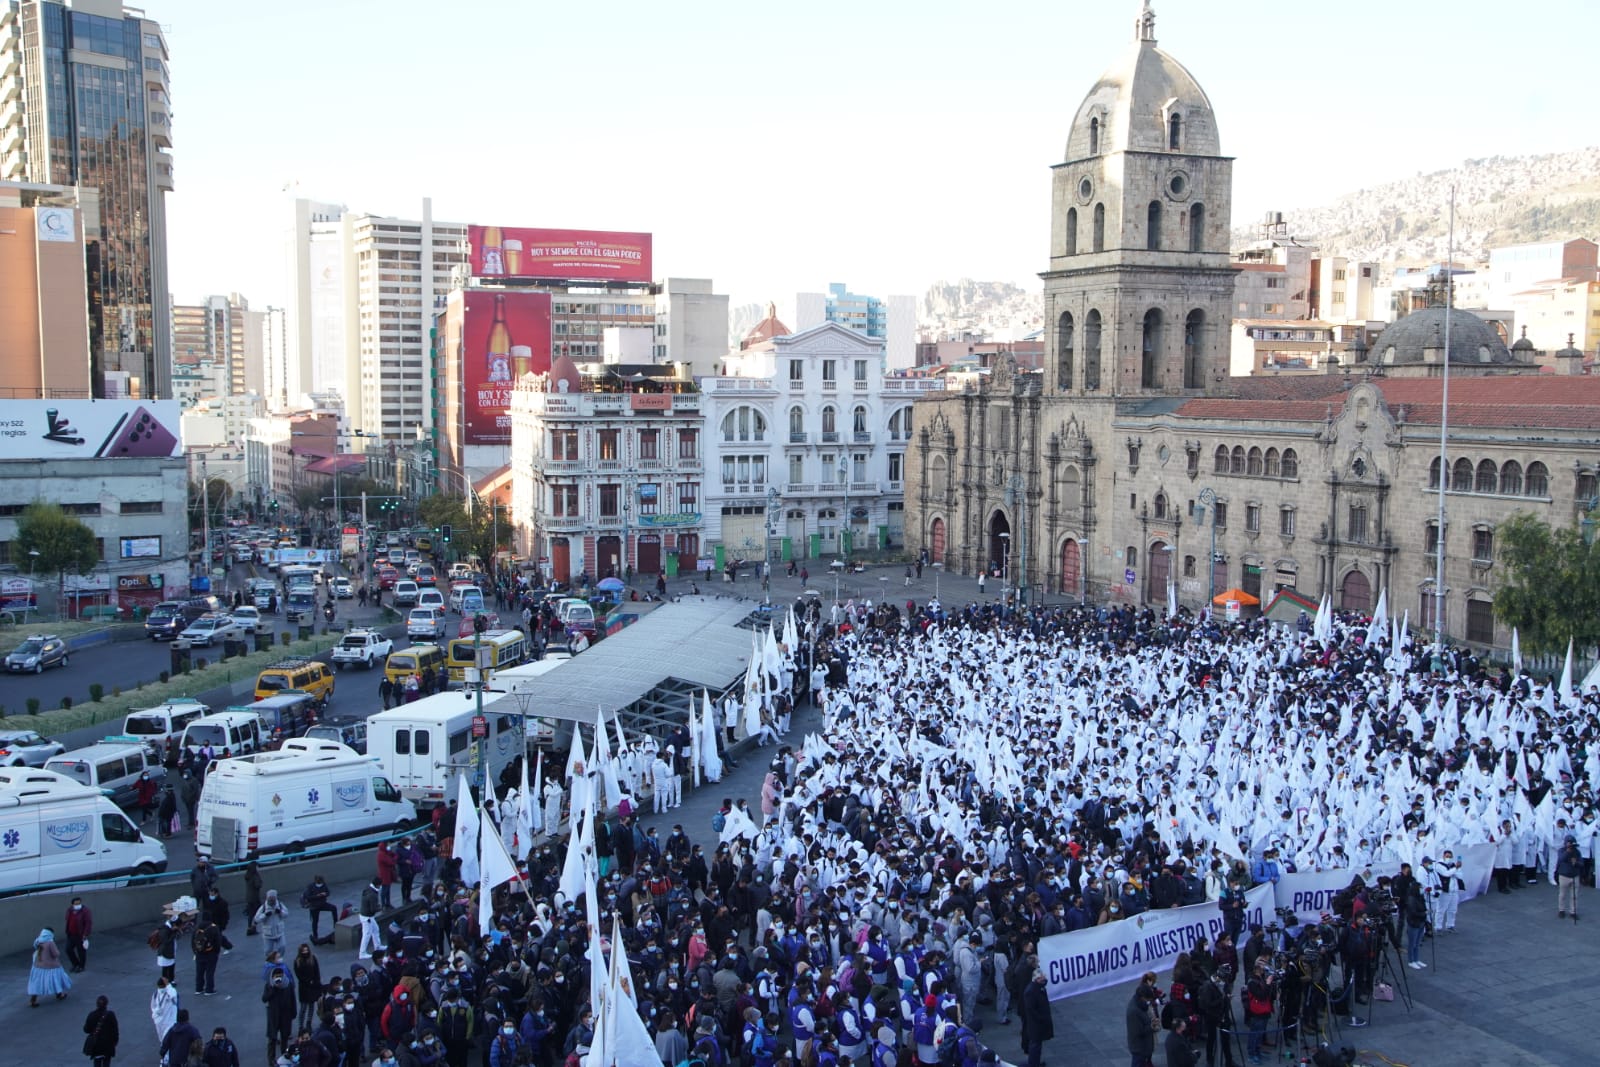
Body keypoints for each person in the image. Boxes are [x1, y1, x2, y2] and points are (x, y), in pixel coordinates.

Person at [28, 927, 71, 1006]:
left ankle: (33, 1000)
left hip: (37, 966)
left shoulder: (38, 940)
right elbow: (56, 954)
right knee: (56, 980)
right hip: (51, 966)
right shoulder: (50, 942)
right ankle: (59, 994)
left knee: (37, 983)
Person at [1020, 969, 1053, 1067]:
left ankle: (1036, 1063)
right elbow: (1031, 1009)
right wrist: (1041, 1018)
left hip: (1039, 1022)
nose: (1044, 980)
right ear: (1037, 979)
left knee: (1037, 1045)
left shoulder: (1038, 987)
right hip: (1035, 1024)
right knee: (1035, 1045)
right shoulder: (1031, 991)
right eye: (1042, 978)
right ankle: (1033, 1064)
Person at [263, 969, 297, 1063]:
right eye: (276, 976)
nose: (278, 978)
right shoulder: (269, 985)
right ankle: (271, 1060)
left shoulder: (288, 984)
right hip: (273, 1016)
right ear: (272, 977)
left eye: (280, 975)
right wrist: (274, 989)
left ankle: (284, 1058)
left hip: (286, 1016)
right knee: (272, 1039)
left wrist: (293, 1013)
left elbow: (292, 999)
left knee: (284, 1038)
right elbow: (264, 999)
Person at [1126, 982, 1160, 1067]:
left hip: (1144, 1046)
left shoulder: (1140, 1004)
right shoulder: (1133, 1011)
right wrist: (1152, 1026)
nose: (1148, 1002)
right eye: (1147, 1000)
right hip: (1139, 1048)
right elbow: (1138, 1032)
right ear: (1142, 997)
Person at [292, 942, 323, 1033]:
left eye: (306, 950)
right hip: (304, 987)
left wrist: (316, 982)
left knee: (311, 1006)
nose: (305, 952)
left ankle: (308, 1023)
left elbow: (317, 971)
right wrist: (308, 981)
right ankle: (301, 1026)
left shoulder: (313, 958)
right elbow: (299, 975)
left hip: (313, 986)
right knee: (303, 1008)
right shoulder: (297, 961)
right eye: (303, 951)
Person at [83, 993, 120, 1067]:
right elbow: (115, 1030)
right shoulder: (111, 1015)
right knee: (106, 1062)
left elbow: (86, 1029)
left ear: (97, 1004)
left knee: (97, 1062)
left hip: (96, 1045)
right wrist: (115, 1041)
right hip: (108, 1044)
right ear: (107, 1004)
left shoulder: (91, 1015)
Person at [302, 874, 338, 945]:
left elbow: (328, 892)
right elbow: (308, 897)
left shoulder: (324, 885)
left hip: (322, 904)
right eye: (319, 882)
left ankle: (335, 924)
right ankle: (315, 936)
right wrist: (317, 896)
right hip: (314, 906)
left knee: (333, 908)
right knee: (315, 921)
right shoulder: (310, 886)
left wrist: (325, 894)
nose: (321, 883)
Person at [254, 888, 289, 959]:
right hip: (268, 934)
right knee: (268, 950)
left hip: (279, 932)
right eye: (270, 898)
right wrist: (265, 915)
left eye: (273, 898)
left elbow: (286, 914)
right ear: (267, 898)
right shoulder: (263, 907)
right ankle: (269, 961)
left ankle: (279, 958)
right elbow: (256, 919)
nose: (272, 900)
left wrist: (280, 912)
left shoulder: (280, 905)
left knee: (282, 946)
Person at [1556, 835, 1583, 918]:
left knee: (1574, 896)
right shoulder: (1561, 850)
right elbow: (1561, 859)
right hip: (1564, 875)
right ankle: (1561, 910)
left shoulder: (1577, 852)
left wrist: (1576, 863)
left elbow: (1582, 863)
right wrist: (1568, 851)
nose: (1570, 845)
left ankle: (1573, 911)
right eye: (1569, 843)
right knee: (1562, 894)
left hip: (1574, 876)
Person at [64, 896, 92, 973]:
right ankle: (75, 964)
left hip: (80, 935)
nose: (78, 905)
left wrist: (85, 934)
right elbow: (67, 920)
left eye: (79, 903)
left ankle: (81, 966)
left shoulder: (85, 911)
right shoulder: (70, 910)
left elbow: (88, 923)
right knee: (68, 949)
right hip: (71, 934)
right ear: (72, 904)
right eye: (76, 903)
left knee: (81, 951)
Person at [358, 878, 384, 959]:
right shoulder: (373, 895)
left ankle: (378, 946)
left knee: (375, 930)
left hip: (365, 915)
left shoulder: (367, 889)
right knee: (367, 934)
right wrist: (380, 908)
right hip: (367, 917)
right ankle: (362, 953)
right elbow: (373, 909)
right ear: (378, 885)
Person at [151, 976, 179, 1046]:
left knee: (168, 1040)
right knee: (162, 1040)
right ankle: (164, 1054)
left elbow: (173, 995)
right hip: (159, 1021)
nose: (160, 988)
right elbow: (152, 1005)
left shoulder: (170, 992)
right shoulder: (155, 994)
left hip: (169, 1021)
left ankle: (167, 1055)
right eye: (159, 987)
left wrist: (168, 985)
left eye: (161, 986)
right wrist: (155, 1013)